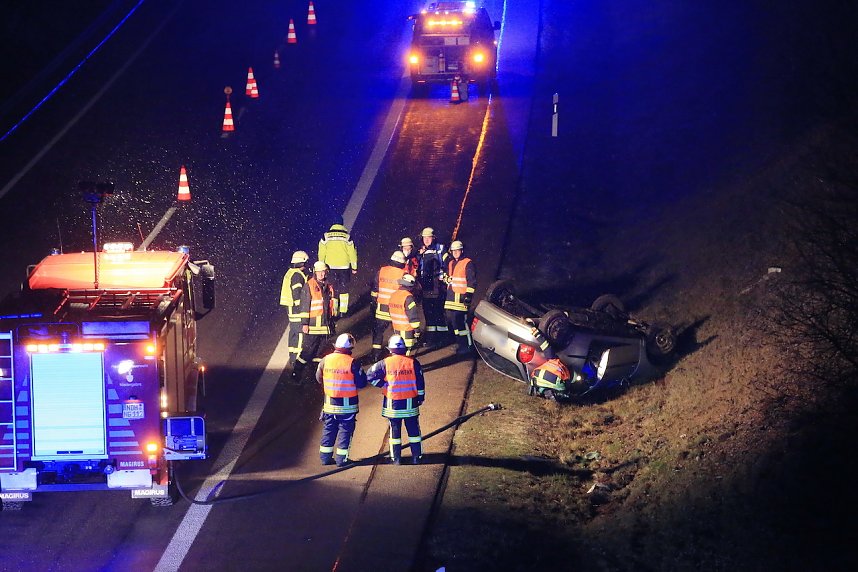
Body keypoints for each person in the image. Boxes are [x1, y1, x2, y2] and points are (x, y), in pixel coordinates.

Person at [366, 335, 425, 465]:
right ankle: (417, 457)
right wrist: (420, 398)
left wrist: (382, 384)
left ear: (390, 349)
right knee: (414, 431)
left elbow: (369, 375)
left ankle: (396, 458)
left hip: (393, 405)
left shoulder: (384, 363)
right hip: (410, 404)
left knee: (394, 432)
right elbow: (420, 382)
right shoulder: (413, 362)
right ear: (404, 348)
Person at [316, 333, 367, 466]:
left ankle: (325, 458)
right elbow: (362, 382)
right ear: (350, 348)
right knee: (345, 432)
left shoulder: (325, 360)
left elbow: (318, 378)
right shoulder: (352, 362)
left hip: (329, 406)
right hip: (347, 407)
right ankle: (341, 459)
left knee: (329, 430)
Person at [292, 261, 338, 381]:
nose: (322, 274)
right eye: (319, 272)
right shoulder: (309, 286)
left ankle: (314, 376)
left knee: (320, 353)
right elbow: (304, 306)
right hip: (312, 327)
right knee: (307, 352)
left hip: (324, 327)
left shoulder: (328, 286)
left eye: (324, 271)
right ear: (315, 273)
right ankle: (296, 374)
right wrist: (304, 323)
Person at [370, 251, 407, 362]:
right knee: (398, 331)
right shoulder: (403, 274)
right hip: (396, 308)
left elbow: (375, 288)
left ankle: (376, 355)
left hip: (382, 308)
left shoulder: (382, 271)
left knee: (378, 332)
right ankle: (398, 354)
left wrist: (374, 303)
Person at [318, 219, 358, 315]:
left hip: (330, 268)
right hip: (344, 268)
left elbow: (321, 253)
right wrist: (354, 267)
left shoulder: (325, 236)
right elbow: (352, 253)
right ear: (342, 224)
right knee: (344, 289)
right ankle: (343, 311)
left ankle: (334, 311)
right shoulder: (347, 237)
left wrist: (321, 266)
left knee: (333, 289)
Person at [417, 227, 449, 347]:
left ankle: (442, 339)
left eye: (428, 237)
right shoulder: (421, 251)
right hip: (426, 287)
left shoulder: (440, 249)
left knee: (438, 312)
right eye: (424, 238)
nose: (426, 240)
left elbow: (446, 265)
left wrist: (442, 280)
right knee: (428, 313)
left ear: (433, 238)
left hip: (437, 287)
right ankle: (431, 339)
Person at [443, 240, 477, 354]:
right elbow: (450, 278)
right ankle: (461, 344)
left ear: (461, 251)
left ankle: (468, 346)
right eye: (454, 251)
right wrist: (446, 278)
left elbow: (472, 282)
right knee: (455, 323)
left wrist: (468, 296)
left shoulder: (468, 263)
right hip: (451, 298)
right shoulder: (451, 263)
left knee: (461, 323)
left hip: (461, 299)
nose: (455, 252)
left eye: (457, 250)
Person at [279, 250, 309, 365]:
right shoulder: (297, 275)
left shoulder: (290, 272)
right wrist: (303, 308)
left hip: (290, 309)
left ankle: (293, 358)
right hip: (296, 310)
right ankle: (297, 361)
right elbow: (297, 293)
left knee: (294, 333)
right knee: (300, 334)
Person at [389, 274, 423, 356]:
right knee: (406, 352)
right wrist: (417, 330)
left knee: (398, 350)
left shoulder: (394, 295)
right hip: (407, 329)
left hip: (396, 328)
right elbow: (412, 316)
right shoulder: (408, 297)